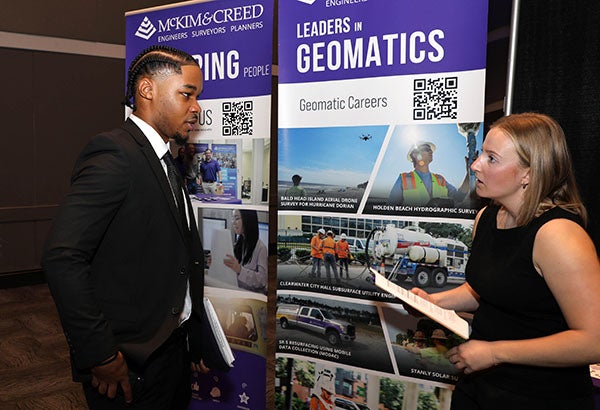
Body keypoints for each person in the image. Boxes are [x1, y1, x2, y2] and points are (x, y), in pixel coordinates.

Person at [41, 45, 209, 409]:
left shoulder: (165, 159)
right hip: (130, 364)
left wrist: (193, 334)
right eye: (187, 94)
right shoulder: (114, 154)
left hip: (170, 350)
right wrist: (100, 355)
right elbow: (63, 257)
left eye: (197, 97)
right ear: (147, 90)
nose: (196, 108)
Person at [411, 113, 600, 409]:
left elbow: (594, 341)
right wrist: (434, 302)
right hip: (479, 386)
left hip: (539, 398)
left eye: (491, 158)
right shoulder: (485, 218)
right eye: (481, 154)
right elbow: (488, 289)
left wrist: (496, 353)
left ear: (529, 173)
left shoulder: (558, 235)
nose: (475, 165)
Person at [388, 141, 469, 206]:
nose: (431, 151)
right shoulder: (404, 178)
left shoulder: (440, 179)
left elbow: (459, 197)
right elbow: (391, 207)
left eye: (430, 150)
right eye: (426, 149)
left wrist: (469, 174)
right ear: (415, 155)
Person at [223, 209, 268, 294]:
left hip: (252, 296)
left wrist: (240, 270)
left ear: (247, 219)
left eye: (237, 218)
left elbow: (262, 281)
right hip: (237, 292)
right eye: (233, 218)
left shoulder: (261, 248)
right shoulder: (239, 244)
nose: (233, 222)